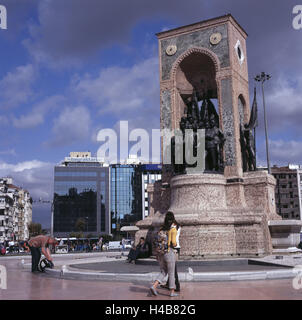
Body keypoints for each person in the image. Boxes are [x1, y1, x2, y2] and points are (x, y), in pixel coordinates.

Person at [150, 211, 179, 297]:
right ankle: (172, 291)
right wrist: (175, 244)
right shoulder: (172, 229)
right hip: (169, 252)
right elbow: (173, 242)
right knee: (171, 272)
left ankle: (154, 286)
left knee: (163, 271)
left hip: (160, 253)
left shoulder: (161, 229)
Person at [161, 214, 181, 292]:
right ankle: (168, 284)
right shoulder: (177, 226)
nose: (168, 221)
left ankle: (177, 286)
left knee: (173, 269)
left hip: (174, 248)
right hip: (174, 248)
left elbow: (173, 240)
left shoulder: (173, 227)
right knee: (171, 267)